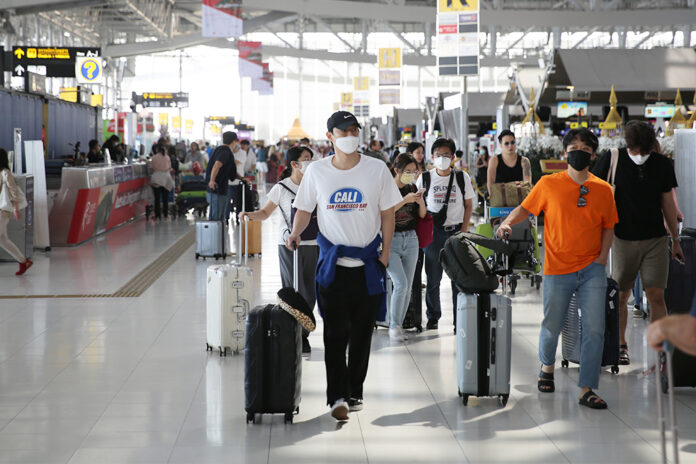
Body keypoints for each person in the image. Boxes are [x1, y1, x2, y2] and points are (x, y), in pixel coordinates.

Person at [286, 111, 402, 421]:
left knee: (362, 334)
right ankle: (337, 396)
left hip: (368, 264)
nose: (350, 135)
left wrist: (386, 252)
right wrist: (295, 233)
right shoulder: (317, 172)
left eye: (354, 129)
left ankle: (355, 390)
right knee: (335, 334)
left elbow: (388, 213)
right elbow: (304, 209)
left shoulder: (377, 170)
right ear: (331, 137)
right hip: (332, 267)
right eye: (343, 130)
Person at [496, 128, 618, 409]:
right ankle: (547, 366)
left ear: (593, 155)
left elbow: (609, 226)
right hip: (557, 267)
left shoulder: (602, 189)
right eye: (574, 147)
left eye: (585, 149)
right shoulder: (549, 184)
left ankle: (586, 388)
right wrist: (506, 223)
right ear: (564, 153)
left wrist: (601, 258)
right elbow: (526, 209)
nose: (579, 152)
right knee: (552, 324)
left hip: (592, 269)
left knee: (594, 329)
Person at [591, 121, 683, 366]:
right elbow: (593, 194)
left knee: (656, 295)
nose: (640, 156)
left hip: (655, 239)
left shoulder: (662, 165)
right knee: (621, 295)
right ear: (628, 145)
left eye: (645, 151)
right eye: (636, 151)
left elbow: (668, 204)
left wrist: (675, 239)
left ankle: (662, 351)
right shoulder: (613, 159)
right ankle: (621, 344)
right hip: (622, 238)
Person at [241, 146, 317, 354]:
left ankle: (303, 332)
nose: (310, 162)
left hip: (314, 244)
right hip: (288, 245)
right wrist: (249, 214)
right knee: (293, 290)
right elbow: (265, 213)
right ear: (294, 164)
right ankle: (295, 334)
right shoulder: (281, 188)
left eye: (311, 158)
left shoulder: (316, 185)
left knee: (310, 292)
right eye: (306, 159)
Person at [415, 138, 475, 331]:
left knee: (458, 279)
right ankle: (433, 316)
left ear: (453, 157)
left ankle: (460, 320)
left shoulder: (461, 178)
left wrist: (464, 232)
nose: (442, 158)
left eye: (446, 155)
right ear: (432, 157)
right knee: (433, 279)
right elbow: (418, 206)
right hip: (433, 234)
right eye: (438, 155)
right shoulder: (424, 178)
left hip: (455, 232)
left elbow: (468, 205)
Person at [386, 153, 426, 341]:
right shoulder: (388, 188)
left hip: (411, 239)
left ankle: (399, 324)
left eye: (414, 171)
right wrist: (405, 200)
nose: (411, 174)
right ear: (397, 171)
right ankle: (394, 325)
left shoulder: (412, 187)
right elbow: (384, 213)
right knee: (400, 283)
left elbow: (423, 215)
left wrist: (419, 200)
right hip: (390, 240)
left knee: (408, 286)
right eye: (407, 171)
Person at [0, 148, 32, 275]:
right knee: (2, 239)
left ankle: (24, 261)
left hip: (3, 211)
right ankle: (23, 261)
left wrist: (15, 208)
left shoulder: (5, 173)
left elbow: (13, 191)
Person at [205, 131, 238, 221]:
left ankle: (218, 235)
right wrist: (212, 181)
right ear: (234, 141)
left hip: (220, 190)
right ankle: (213, 235)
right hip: (216, 190)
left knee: (219, 218)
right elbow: (217, 165)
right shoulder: (225, 151)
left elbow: (230, 172)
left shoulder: (221, 150)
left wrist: (242, 178)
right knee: (216, 219)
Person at [227, 140, 250, 223]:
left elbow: (236, 162)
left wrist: (227, 162)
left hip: (238, 181)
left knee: (238, 202)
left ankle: (237, 218)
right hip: (228, 181)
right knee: (227, 202)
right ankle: (227, 218)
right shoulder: (228, 152)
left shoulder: (242, 153)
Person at [149, 145, 173, 221]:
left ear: (157, 150)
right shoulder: (167, 157)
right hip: (166, 178)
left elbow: (152, 168)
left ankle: (157, 216)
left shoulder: (154, 157)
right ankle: (165, 216)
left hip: (157, 178)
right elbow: (169, 167)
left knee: (157, 199)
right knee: (165, 198)